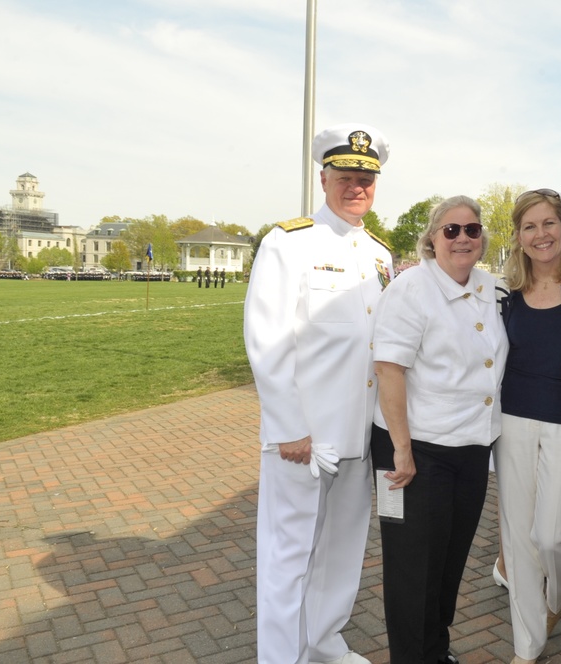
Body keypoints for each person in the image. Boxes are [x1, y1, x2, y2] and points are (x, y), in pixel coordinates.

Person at [244, 123, 392, 664]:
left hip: (357, 434)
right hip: (304, 436)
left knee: (340, 551)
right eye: (346, 175)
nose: (357, 185)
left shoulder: (379, 253)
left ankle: (325, 643)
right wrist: (288, 427)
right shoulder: (290, 241)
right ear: (324, 176)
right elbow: (267, 338)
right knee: (289, 556)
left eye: (366, 178)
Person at [371, 195, 507, 664]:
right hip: (416, 449)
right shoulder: (411, 289)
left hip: (470, 446)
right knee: (413, 568)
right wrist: (401, 449)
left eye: (472, 229)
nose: (463, 238)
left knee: (449, 561)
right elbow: (389, 369)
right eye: (451, 230)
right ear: (432, 238)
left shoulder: (492, 286)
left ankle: (435, 650)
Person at [494, 189, 561, 663]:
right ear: (518, 237)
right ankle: (526, 645)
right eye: (530, 227)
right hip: (513, 421)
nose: (541, 235)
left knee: (554, 533)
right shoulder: (504, 293)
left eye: (549, 224)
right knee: (519, 537)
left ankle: (557, 594)